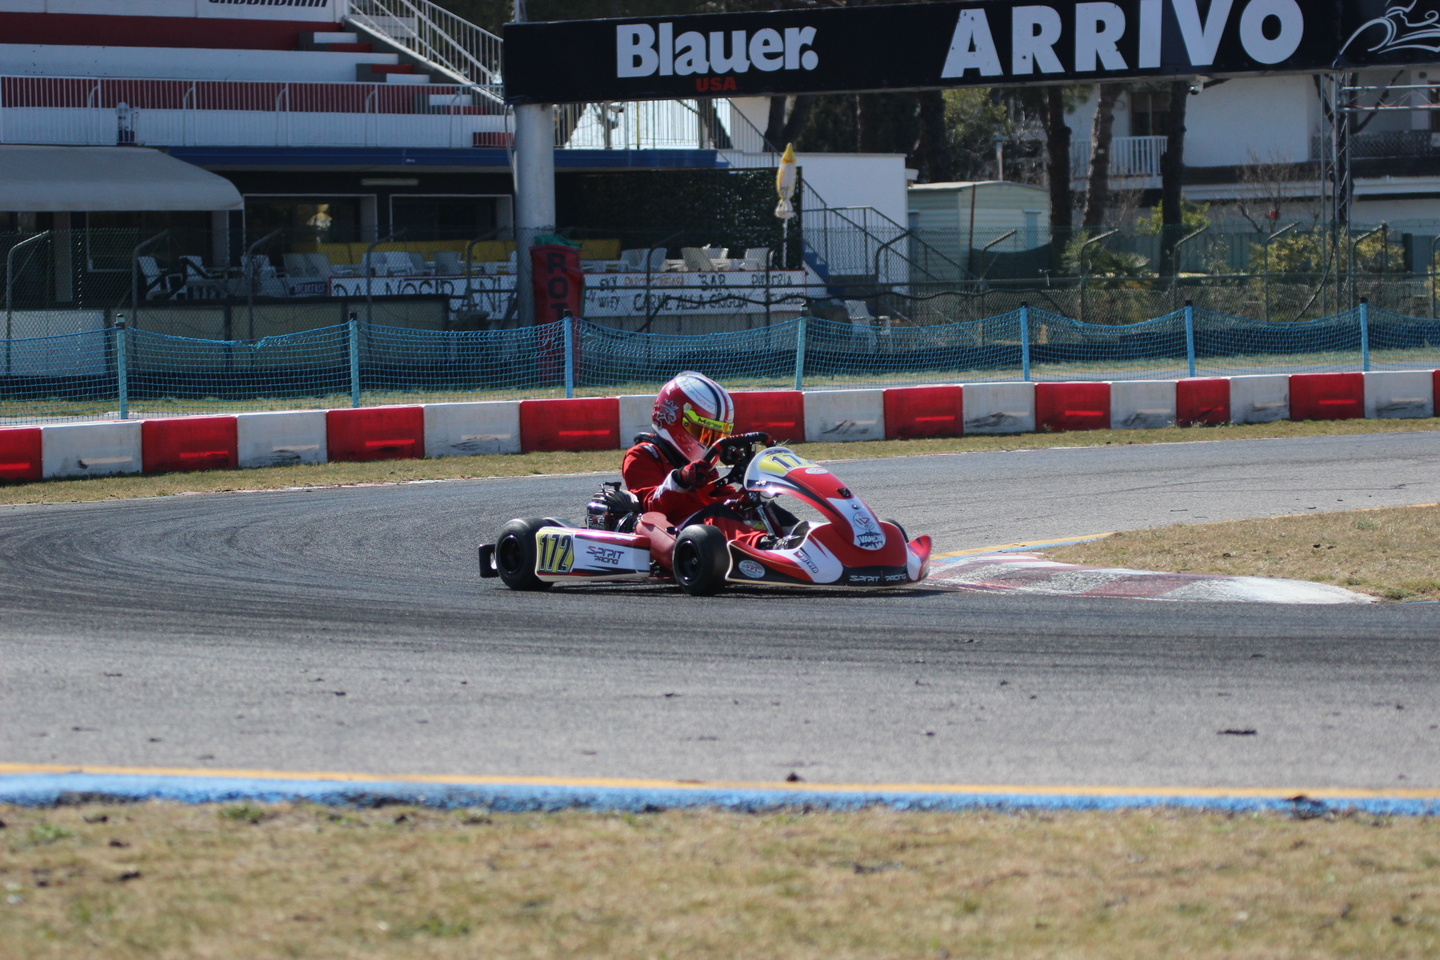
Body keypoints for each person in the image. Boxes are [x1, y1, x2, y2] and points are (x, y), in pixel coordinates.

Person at [621, 370, 737, 528]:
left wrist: (749, 493)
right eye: (703, 433)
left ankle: (769, 539)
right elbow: (651, 506)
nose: (710, 442)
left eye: (716, 436)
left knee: (754, 510)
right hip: (675, 531)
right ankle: (758, 541)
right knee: (718, 513)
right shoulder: (641, 455)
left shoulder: (700, 466)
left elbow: (724, 495)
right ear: (674, 418)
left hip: (708, 527)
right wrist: (680, 480)